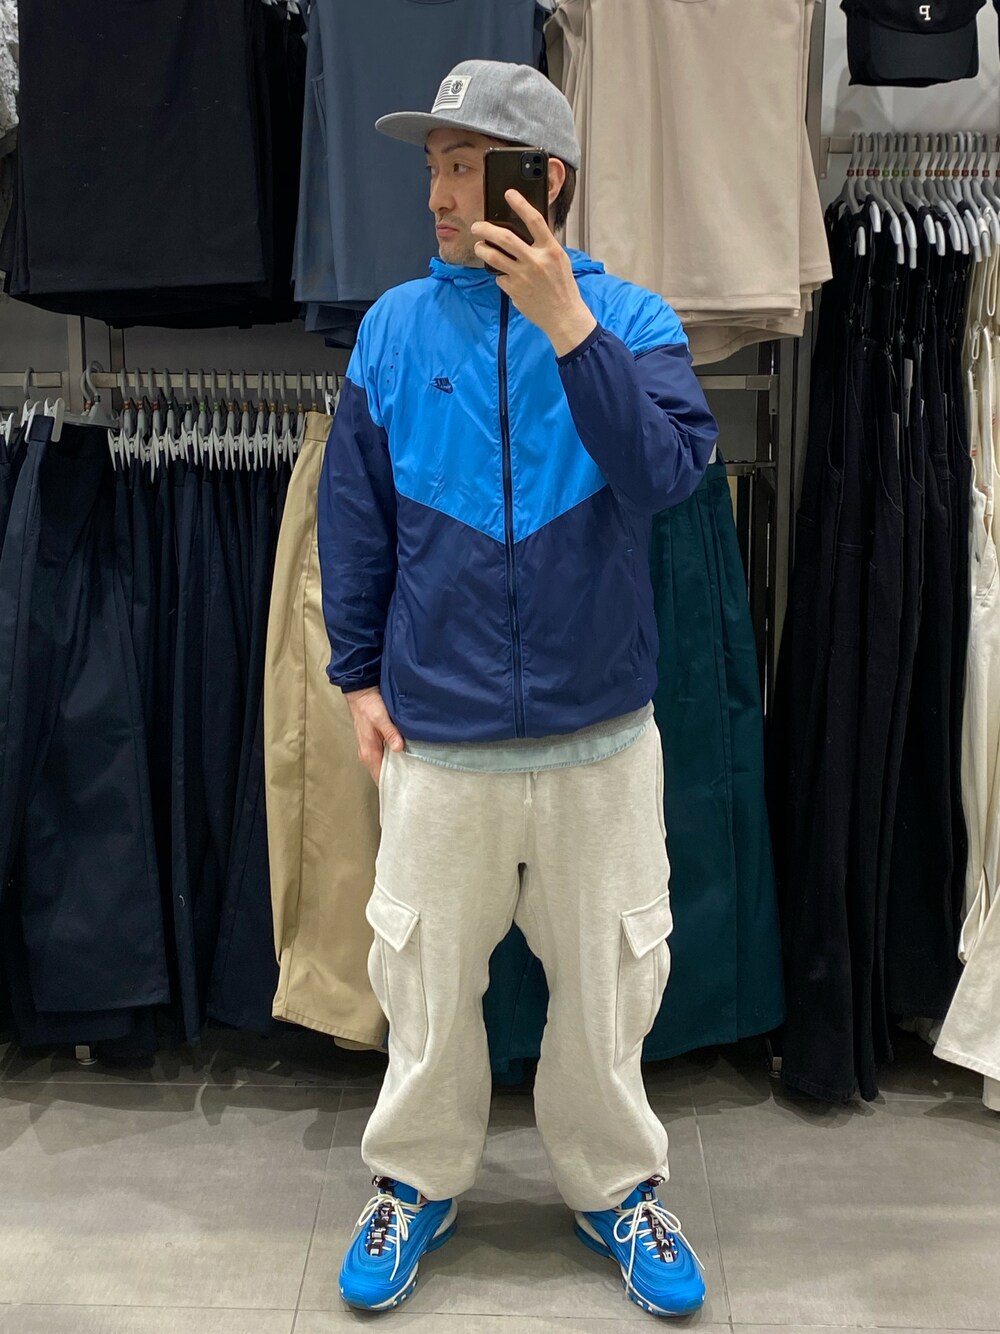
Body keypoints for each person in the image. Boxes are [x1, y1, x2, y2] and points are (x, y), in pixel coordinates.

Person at [319, 59, 718, 1319]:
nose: (441, 194)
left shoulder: (634, 319)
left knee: (609, 990)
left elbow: (665, 476)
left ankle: (617, 1186)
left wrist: (570, 328)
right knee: (424, 988)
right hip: (439, 740)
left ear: (542, 179)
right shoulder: (391, 330)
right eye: (434, 166)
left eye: (466, 166)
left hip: (602, 736)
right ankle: (413, 1178)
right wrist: (354, 675)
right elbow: (354, 515)